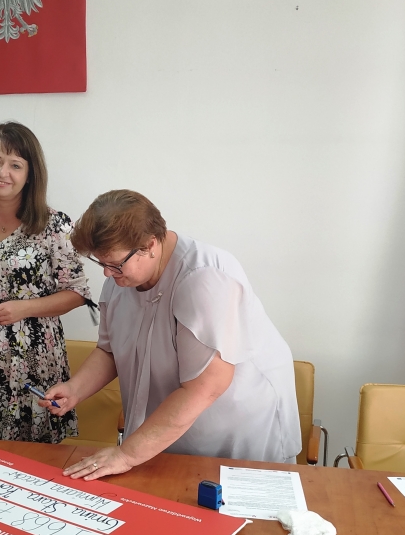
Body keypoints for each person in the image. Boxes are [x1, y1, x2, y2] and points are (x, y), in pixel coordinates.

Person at [43, 189, 301, 480]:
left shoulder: (204, 278)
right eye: (101, 263)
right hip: (171, 424)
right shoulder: (121, 278)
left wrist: (126, 454)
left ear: (150, 245)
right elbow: (110, 351)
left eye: (114, 264)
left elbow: (206, 387)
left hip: (236, 425)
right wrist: (75, 390)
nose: (106, 274)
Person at [0, 122, 94, 442]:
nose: (3, 172)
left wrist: (24, 308)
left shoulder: (54, 225)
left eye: (15, 165)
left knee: (37, 457)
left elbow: (77, 292)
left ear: (30, 174)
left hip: (37, 358)